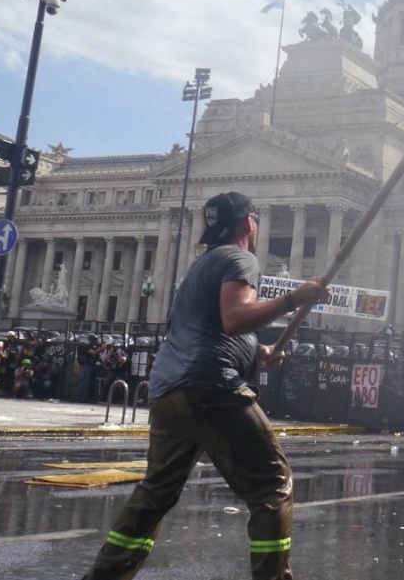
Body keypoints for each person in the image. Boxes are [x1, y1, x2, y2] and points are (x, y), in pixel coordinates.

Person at [82, 192, 327, 580]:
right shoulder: (239, 258)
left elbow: (209, 328)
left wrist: (257, 351)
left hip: (169, 390)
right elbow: (234, 317)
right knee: (273, 486)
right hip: (212, 387)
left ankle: (105, 576)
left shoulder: (200, 267)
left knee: (156, 492)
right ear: (249, 223)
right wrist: (294, 299)